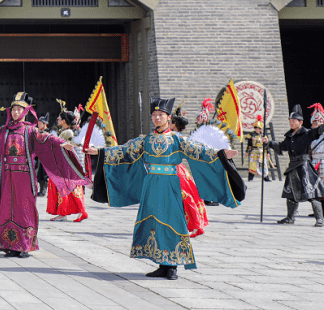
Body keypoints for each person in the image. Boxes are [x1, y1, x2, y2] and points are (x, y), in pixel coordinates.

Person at [88, 97, 242, 280]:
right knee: (154, 222)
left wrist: (222, 154)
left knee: (172, 221)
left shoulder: (177, 139)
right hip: (151, 184)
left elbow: (199, 150)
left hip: (170, 184)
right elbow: (125, 150)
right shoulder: (145, 140)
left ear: (169, 117)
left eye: (160, 115)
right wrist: (99, 151)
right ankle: (161, 264)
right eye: (154, 115)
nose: (157, 118)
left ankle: (172, 267)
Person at [0, 92, 89, 258]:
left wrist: (62, 143)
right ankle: (10, 245)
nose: (16, 112)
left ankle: (24, 245)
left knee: (24, 209)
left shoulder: (30, 131)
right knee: (7, 209)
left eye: (19, 109)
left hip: (25, 176)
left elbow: (46, 139)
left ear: (25, 111)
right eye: (14, 109)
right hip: (7, 176)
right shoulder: (3, 131)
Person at [267, 104, 324, 226]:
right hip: (292, 167)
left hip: (304, 166)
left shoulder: (307, 133)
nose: (291, 123)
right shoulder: (289, 137)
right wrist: (269, 142)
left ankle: (320, 219)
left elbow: (318, 131)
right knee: (290, 193)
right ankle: (290, 218)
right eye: (290, 121)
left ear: (300, 122)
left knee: (311, 192)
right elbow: (282, 147)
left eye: (294, 121)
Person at [170, 109, 208, 237]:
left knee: (185, 197)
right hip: (174, 170)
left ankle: (196, 224)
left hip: (175, 170)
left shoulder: (176, 137)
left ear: (174, 125)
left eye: (170, 121)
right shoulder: (169, 135)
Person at [47, 109, 88, 222]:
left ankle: (64, 213)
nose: (58, 120)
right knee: (71, 190)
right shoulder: (67, 132)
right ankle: (77, 212)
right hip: (65, 166)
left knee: (65, 189)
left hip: (65, 167)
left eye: (60, 118)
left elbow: (66, 150)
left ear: (64, 121)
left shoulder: (67, 133)